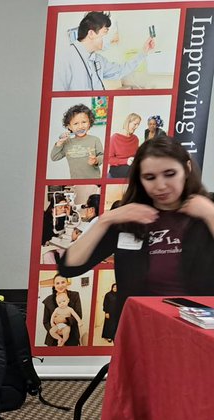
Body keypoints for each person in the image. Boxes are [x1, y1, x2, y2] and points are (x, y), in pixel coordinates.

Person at [60, 135, 214, 338]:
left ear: (186, 169)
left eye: (169, 174)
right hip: (142, 331)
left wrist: (209, 214)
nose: (160, 185)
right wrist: (106, 220)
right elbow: (69, 267)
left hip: (202, 332)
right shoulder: (129, 217)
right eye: (150, 177)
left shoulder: (208, 208)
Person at [53, 11, 156, 91]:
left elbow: (120, 70)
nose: (113, 39)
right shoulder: (64, 57)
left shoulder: (98, 59)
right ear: (91, 34)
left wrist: (144, 52)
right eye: (105, 32)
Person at [51, 104, 103, 179]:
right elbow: (54, 157)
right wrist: (60, 143)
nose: (80, 126)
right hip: (75, 182)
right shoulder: (67, 142)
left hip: (94, 180)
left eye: (84, 122)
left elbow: (102, 156)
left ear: (89, 123)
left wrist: (96, 160)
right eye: (76, 124)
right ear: (69, 127)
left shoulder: (95, 140)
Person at [42, 274, 84, 346]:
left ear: (67, 283)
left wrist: (64, 319)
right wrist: (56, 330)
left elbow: (79, 315)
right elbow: (45, 321)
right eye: (57, 283)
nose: (60, 285)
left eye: (63, 282)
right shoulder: (48, 300)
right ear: (54, 285)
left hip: (71, 335)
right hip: (53, 339)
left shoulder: (75, 295)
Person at [107, 113, 141, 178]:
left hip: (131, 167)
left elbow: (135, 156)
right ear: (128, 122)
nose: (136, 127)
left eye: (138, 124)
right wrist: (126, 161)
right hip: (117, 167)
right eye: (135, 124)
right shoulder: (115, 138)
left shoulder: (135, 139)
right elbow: (109, 159)